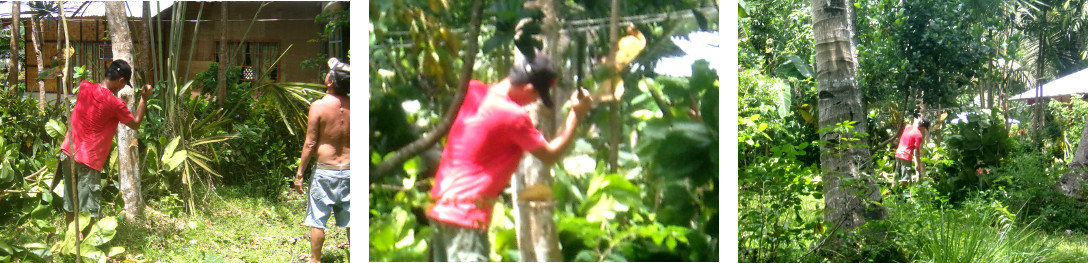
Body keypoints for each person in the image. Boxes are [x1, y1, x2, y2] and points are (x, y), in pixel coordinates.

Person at [426, 52, 594, 262]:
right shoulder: (512, 116)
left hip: (441, 207)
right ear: (529, 89)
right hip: (466, 215)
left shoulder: (473, 91)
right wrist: (576, 115)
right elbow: (550, 155)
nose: (533, 102)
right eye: (537, 97)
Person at [58, 59, 150, 235]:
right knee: (89, 211)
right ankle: (87, 250)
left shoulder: (84, 86)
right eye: (124, 85)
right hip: (88, 160)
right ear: (121, 80)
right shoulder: (115, 104)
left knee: (71, 204)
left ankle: (71, 242)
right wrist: (143, 99)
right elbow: (136, 123)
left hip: (67, 152)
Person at [294, 57, 350, 263]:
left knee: (318, 219)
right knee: (353, 220)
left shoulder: (318, 106)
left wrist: (300, 173)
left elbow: (310, 143)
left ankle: (315, 260)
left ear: (330, 82)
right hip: (352, 170)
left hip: (326, 171)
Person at [892, 117, 931, 190]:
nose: (924, 130)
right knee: (905, 179)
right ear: (923, 127)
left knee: (896, 176)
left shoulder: (908, 126)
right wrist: (918, 165)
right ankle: (905, 196)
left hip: (898, 153)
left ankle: (891, 192)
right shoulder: (919, 136)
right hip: (906, 156)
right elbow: (916, 151)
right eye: (925, 128)